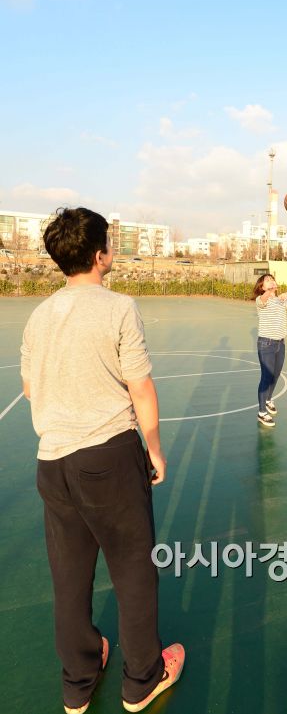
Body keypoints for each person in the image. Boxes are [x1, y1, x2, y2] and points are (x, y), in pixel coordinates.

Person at [20, 207, 185, 714]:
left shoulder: (39, 314)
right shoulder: (118, 307)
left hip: (53, 462)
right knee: (134, 570)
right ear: (98, 254)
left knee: (69, 578)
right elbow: (140, 384)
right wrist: (153, 448)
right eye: (109, 243)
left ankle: (78, 682)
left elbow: (30, 389)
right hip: (107, 457)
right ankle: (141, 680)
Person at [253, 273, 287, 428]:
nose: (271, 281)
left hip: (280, 343)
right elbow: (264, 299)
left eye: (272, 279)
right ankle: (261, 412)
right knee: (266, 377)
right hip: (266, 343)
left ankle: (268, 399)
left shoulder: (280, 301)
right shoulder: (261, 300)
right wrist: (270, 292)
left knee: (276, 375)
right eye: (267, 281)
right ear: (262, 287)